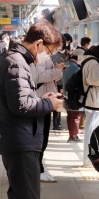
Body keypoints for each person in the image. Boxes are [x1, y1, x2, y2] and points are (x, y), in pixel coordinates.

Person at [0, 21, 63, 199]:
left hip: (20, 139)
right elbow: (21, 105)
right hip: (19, 141)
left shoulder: (15, 61)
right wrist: (48, 103)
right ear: (38, 44)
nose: (47, 57)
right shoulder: (16, 63)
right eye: (48, 51)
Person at [31, 44, 65, 182]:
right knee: (40, 137)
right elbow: (37, 77)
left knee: (44, 136)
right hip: (40, 100)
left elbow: (48, 77)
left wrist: (56, 72)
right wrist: (57, 70)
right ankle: (37, 169)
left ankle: (39, 167)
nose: (52, 51)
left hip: (46, 100)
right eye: (51, 47)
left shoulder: (44, 57)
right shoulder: (36, 57)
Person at [62, 52, 85, 142]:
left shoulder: (66, 64)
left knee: (70, 115)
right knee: (76, 116)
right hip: (75, 96)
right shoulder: (77, 68)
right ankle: (73, 136)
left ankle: (72, 134)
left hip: (66, 94)